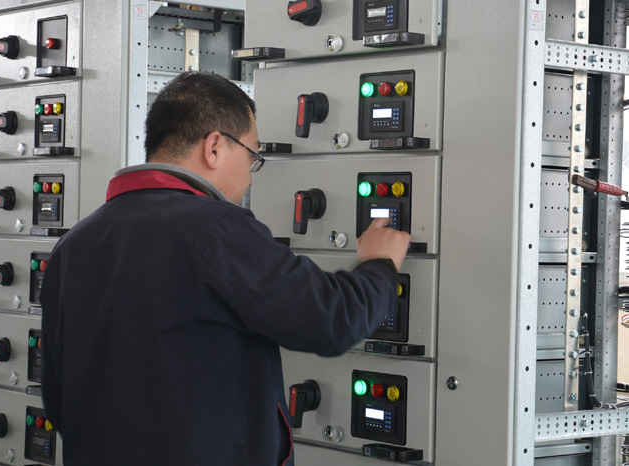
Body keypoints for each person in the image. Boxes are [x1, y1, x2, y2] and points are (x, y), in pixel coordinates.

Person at [40, 72, 411, 466]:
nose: (250, 175)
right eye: (252, 156)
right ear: (214, 146)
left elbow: (58, 398)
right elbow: (333, 320)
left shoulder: (74, 244)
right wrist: (379, 264)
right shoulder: (216, 228)